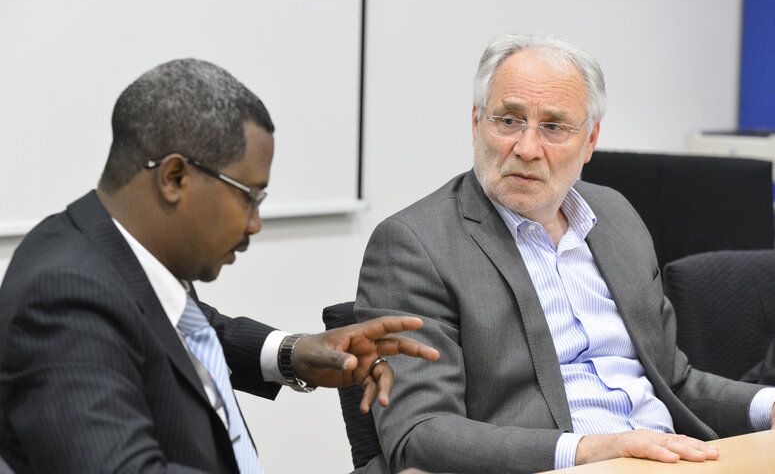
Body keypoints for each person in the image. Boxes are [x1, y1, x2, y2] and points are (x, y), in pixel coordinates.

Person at [354, 33, 775, 474]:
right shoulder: (415, 243)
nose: (527, 147)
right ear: (476, 122)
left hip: (668, 459)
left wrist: (768, 405)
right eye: (508, 120)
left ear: (590, 140)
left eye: (554, 127)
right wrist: (591, 449)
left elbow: (673, 382)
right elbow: (418, 433)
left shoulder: (615, 217)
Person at [0, 59, 439, 473]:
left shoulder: (114, 252)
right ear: (174, 178)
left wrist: (291, 355)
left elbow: (178, 327)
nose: (254, 222)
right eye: (249, 195)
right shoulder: (64, 296)